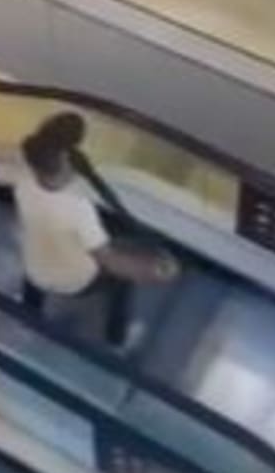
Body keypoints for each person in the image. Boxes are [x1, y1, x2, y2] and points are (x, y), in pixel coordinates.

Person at [13, 112, 179, 349]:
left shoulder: (23, 182)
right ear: (65, 161)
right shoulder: (78, 209)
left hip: (34, 270)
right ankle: (117, 337)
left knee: (40, 261)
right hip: (75, 282)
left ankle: (27, 319)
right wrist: (158, 270)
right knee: (121, 278)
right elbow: (113, 262)